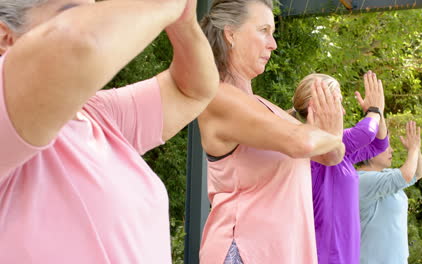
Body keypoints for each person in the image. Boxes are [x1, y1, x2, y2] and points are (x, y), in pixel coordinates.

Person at [0, 0, 218, 263]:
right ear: (6, 38)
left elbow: (193, 89)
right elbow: (79, 44)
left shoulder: (97, 114)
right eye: (72, 13)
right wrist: (165, 4)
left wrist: (183, 22)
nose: (96, 20)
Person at [197, 0, 346, 263]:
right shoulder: (219, 98)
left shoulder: (266, 108)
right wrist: (329, 134)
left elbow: (331, 155)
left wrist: (329, 137)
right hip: (242, 252)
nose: (273, 44)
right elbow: (304, 143)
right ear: (231, 35)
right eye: (264, 30)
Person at [290, 71, 389, 264]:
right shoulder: (313, 146)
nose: (343, 111)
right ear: (317, 106)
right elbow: (365, 133)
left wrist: (378, 113)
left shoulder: (337, 149)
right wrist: (375, 110)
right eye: (338, 103)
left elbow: (379, 144)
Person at [358, 121, 422, 264]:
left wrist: (416, 149)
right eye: (386, 146)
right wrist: (413, 150)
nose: (391, 150)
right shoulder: (362, 180)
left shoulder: (385, 175)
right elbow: (406, 175)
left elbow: (418, 173)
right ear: (369, 150)